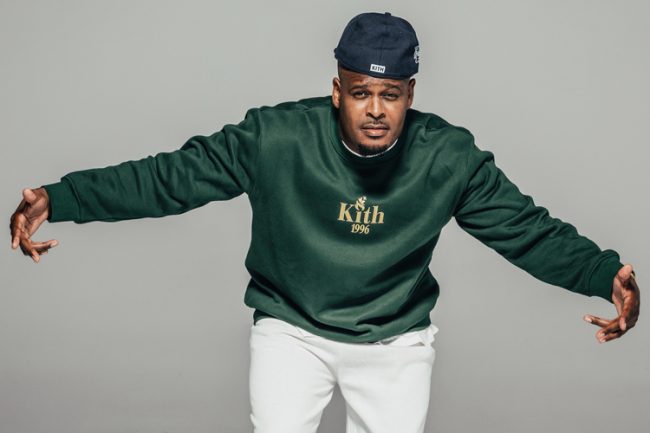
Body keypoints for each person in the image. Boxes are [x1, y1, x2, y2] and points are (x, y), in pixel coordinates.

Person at [9, 11, 640, 433]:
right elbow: (168, 178)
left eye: (390, 96)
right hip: (292, 329)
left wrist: (602, 274)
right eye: (360, 92)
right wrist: (61, 198)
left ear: (411, 96)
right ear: (337, 91)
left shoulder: (449, 158)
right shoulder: (274, 138)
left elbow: (526, 229)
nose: (375, 110)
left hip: (394, 339)